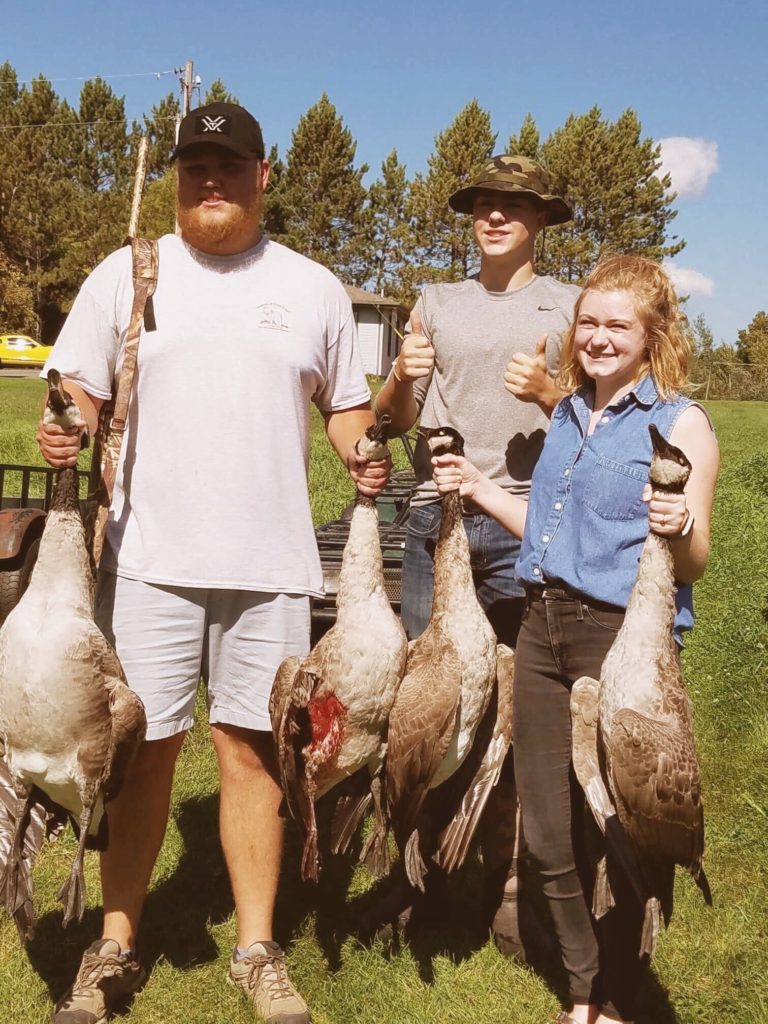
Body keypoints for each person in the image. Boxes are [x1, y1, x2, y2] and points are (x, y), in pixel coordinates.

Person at [37, 101, 389, 1024]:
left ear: (263, 176)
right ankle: (113, 947)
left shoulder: (313, 288)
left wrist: (361, 451)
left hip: (272, 568)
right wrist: (66, 416)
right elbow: (77, 382)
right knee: (142, 755)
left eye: (229, 166)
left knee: (255, 757)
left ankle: (257, 953)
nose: (211, 181)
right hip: (151, 561)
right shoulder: (128, 272)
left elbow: (344, 412)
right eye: (196, 167)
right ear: (177, 178)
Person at [432, 254, 720, 1024]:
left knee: (616, 830)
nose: (596, 337)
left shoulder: (681, 422)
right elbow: (554, 535)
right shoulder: (566, 416)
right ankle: (586, 989)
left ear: (653, 332)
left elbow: (693, 559)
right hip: (540, 628)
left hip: (619, 641)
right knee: (550, 829)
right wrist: (479, 485)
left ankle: (618, 996)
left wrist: (682, 524)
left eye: (616, 325)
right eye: (587, 322)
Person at [374, 154, 579, 944]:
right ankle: (417, 878)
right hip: (441, 524)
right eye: (484, 204)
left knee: (530, 709)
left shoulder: (570, 308)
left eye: (514, 206)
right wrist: (398, 375)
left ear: (540, 221)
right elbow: (393, 421)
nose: (495, 216)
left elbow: (604, 427)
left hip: (532, 529)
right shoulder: (436, 302)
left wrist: (550, 395)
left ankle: (517, 882)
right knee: (433, 712)